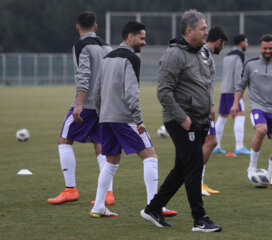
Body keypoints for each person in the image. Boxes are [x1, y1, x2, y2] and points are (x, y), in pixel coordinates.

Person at [140, 9, 221, 232]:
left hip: (200, 119)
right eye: (203, 29)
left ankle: (153, 208)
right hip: (182, 121)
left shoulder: (202, 52)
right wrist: (183, 118)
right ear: (189, 31)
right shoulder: (174, 55)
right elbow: (163, 92)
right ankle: (200, 219)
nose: (207, 32)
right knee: (194, 164)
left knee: (182, 168)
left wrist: (210, 105)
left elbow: (206, 83)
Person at [91, 21, 177, 218]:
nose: (144, 42)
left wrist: (101, 114)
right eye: (142, 38)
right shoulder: (131, 58)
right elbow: (131, 93)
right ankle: (153, 206)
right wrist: (138, 119)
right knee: (151, 157)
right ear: (130, 37)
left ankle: (98, 206)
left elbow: (96, 92)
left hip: (106, 119)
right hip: (125, 118)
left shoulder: (107, 58)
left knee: (111, 162)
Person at [47, 11, 115, 205]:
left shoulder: (81, 45)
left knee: (64, 140)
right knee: (100, 145)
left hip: (86, 105)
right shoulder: (107, 46)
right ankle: (108, 194)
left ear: (77, 27)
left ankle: (70, 190)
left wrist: (78, 105)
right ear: (96, 26)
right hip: (104, 104)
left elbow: (83, 76)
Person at [230, 34, 272, 186]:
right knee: (261, 130)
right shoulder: (250, 65)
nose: (268, 51)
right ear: (260, 48)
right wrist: (235, 103)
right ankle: (251, 167)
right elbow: (241, 85)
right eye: (265, 48)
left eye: (270, 48)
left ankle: (270, 176)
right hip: (257, 107)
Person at [213, 34, 251, 156]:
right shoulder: (239, 55)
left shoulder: (227, 56)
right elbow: (237, 74)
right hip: (234, 90)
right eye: (246, 41)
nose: (247, 44)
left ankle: (216, 145)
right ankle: (239, 146)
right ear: (241, 43)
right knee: (240, 115)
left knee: (222, 117)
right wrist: (239, 91)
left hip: (224, 89)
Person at [201, 26, 227, 196]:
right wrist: (209, 105)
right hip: (201, 107)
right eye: (223, 44)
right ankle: (196, 182)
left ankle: (199, 182)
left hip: (203, 105)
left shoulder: (205, 53)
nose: (223, 48)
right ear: (218, 42)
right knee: (210, 141)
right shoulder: (204, 53)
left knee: (210, 142)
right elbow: (203, 81)